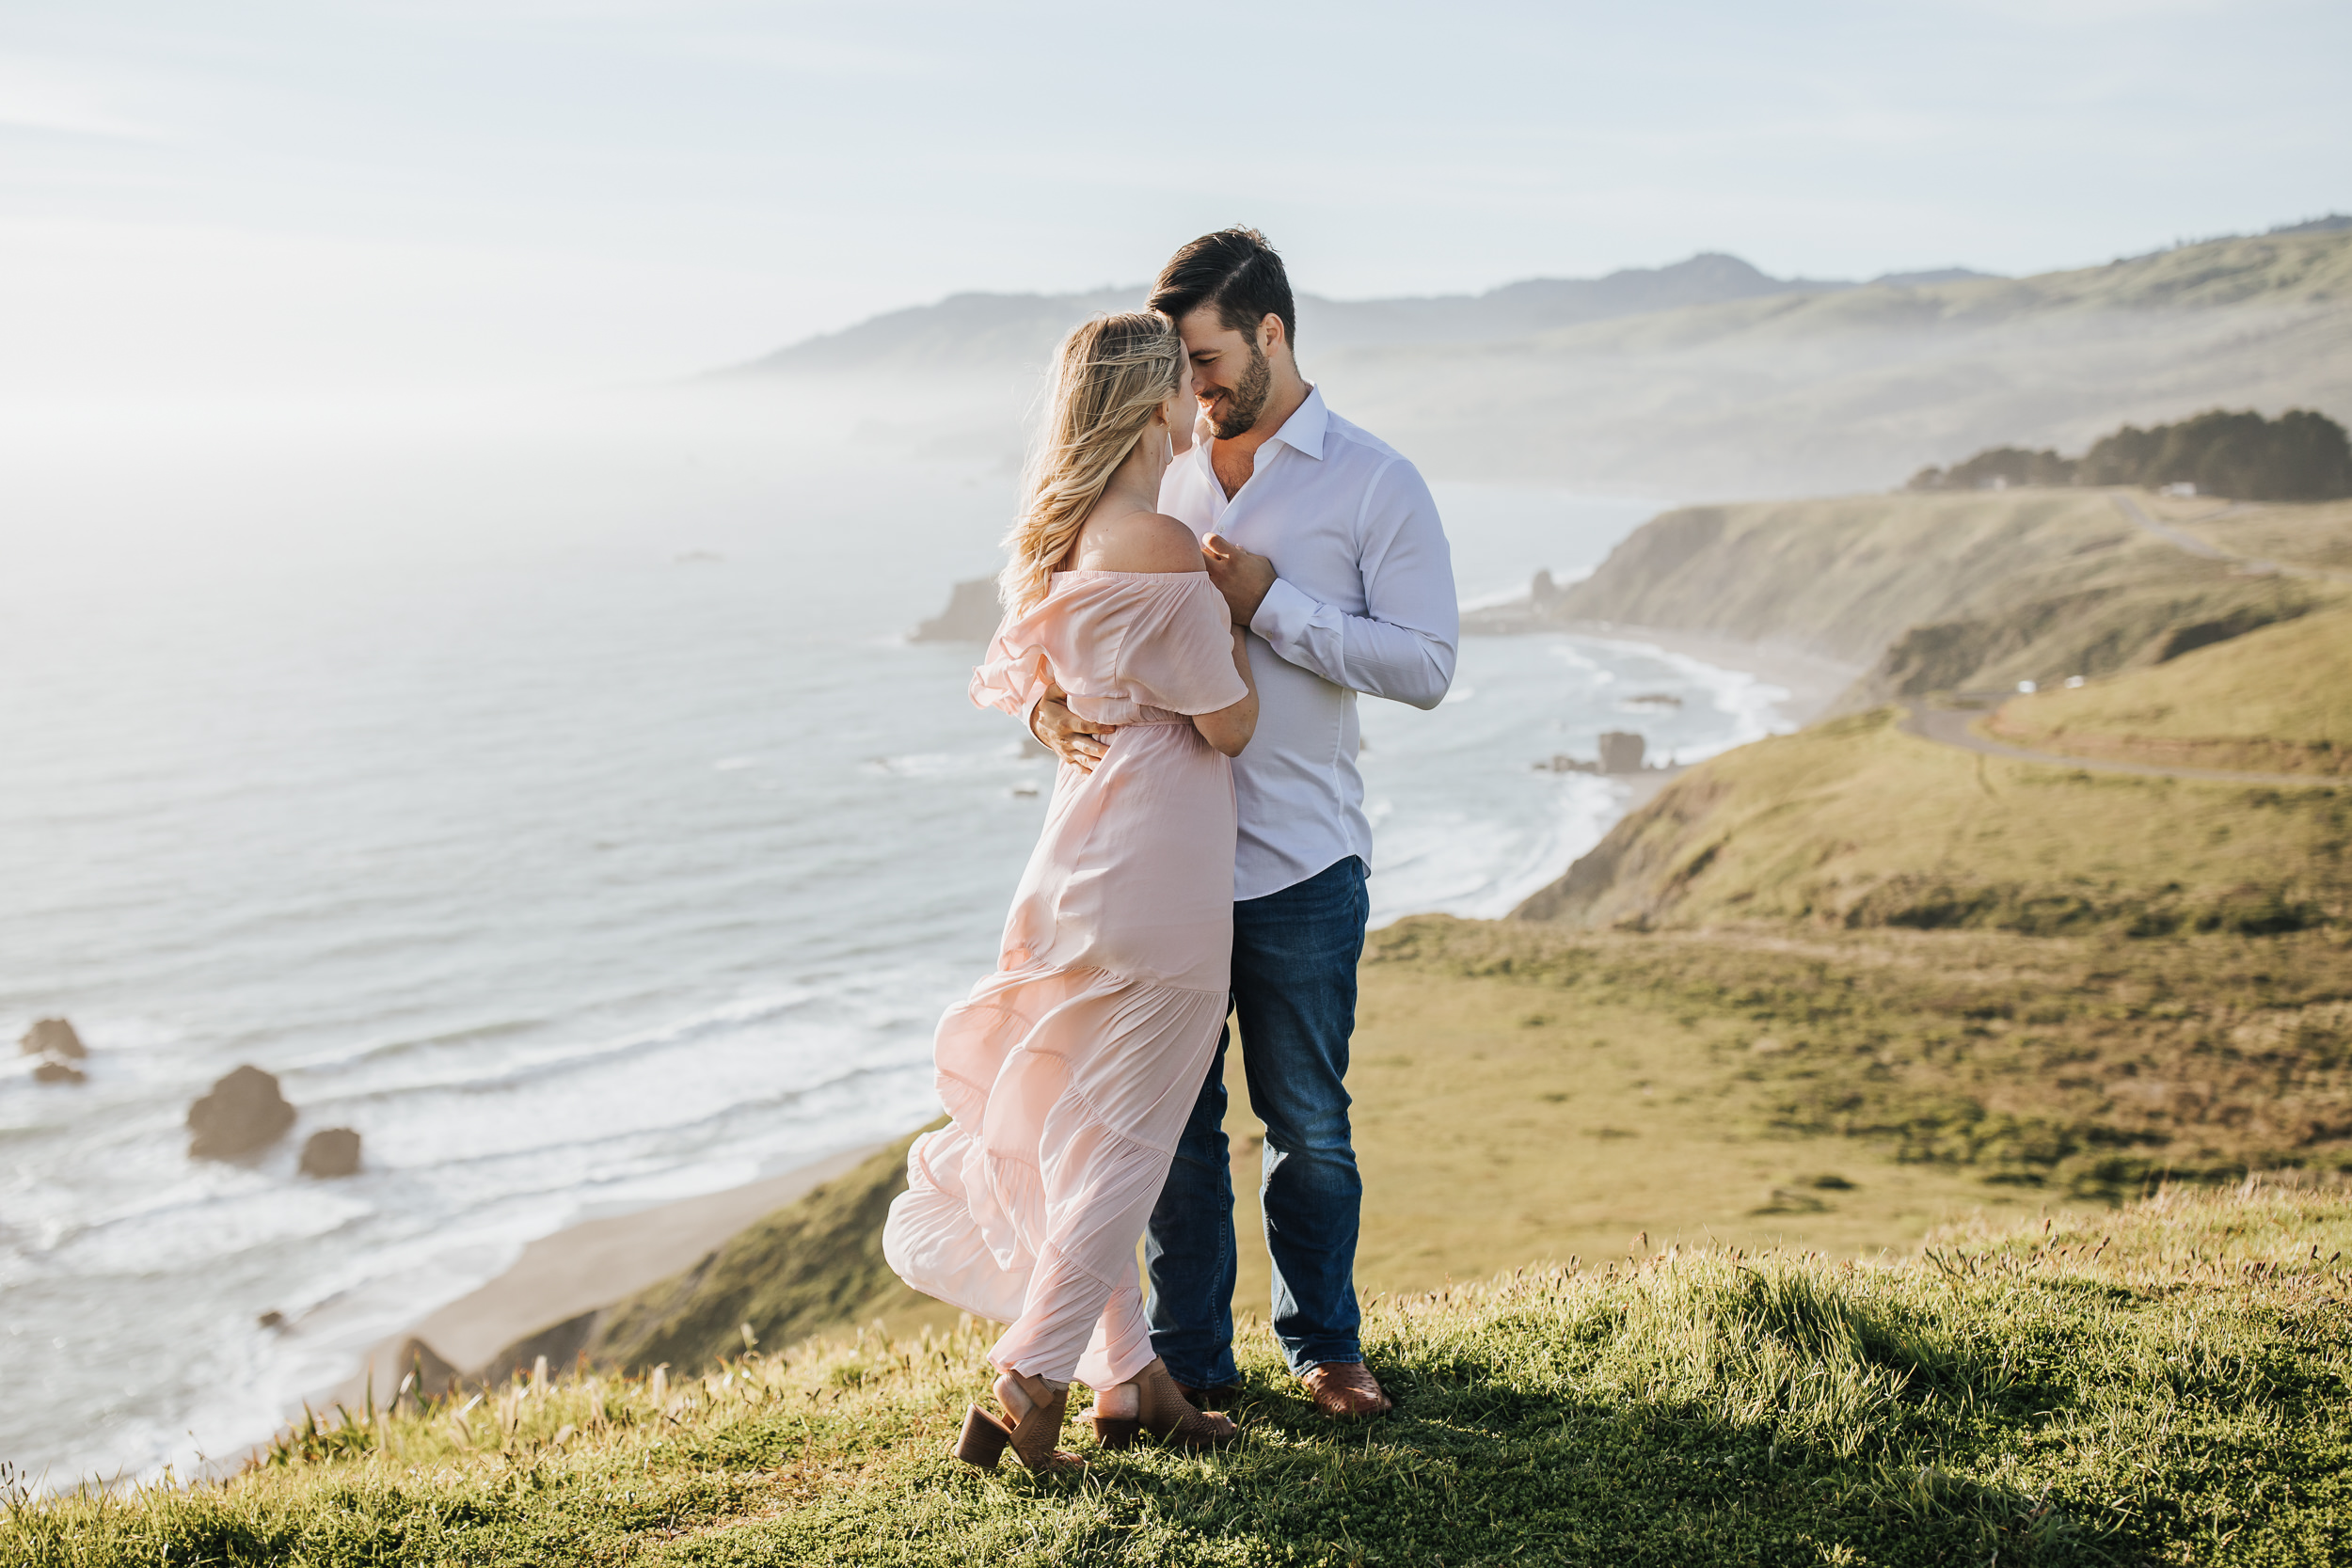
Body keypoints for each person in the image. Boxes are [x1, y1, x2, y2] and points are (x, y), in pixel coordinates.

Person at [1030, 229, 1456, 1419]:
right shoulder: (1157, 461)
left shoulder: (1374, 481)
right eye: (1180, 364)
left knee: (1307, 1123)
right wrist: (1039, 696)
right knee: (1168, 1132)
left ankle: (1326, 1346)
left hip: (1296, 857)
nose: (1194, 384)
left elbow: (1425, 665)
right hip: (1160, 868)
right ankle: (1186, 1367)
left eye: (1208, 356)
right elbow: (1070, 592)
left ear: (1271, 332)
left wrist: (1275, 605)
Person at [882, 311, 1261, 1475]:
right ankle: (1032, 1379)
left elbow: (1033, 684)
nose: (1200, 404)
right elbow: (1228, 719)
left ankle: (1132, 1377)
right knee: (1129, 1141)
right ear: (1155, 408)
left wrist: (1071, 703)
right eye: (1183, 388)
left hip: (1080, 857)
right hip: (1163, 871)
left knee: (1082, 1132)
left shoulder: (1066, 540)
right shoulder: (1158, 542)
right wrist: (1236, 601)